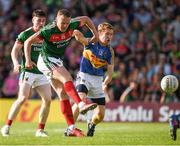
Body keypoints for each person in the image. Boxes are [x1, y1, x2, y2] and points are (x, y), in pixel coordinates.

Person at [24, 9, 98, 137]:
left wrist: (95, 34)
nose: (65, 26)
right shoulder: (48, 30)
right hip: (46, 59)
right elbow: (27, 42)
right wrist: (28, 60)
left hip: (57, 60)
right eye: (62, 23)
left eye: (67, 23)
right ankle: (81, 105)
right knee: (67, 77)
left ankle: (71, 128)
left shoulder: (72, 24)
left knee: (63, 94)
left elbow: (86, 18)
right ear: (56, 20)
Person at [1, 9, 52, 137]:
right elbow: (14, 51)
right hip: (28, 71)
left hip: (42, 72)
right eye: (38, 20)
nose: (41, 23)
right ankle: (6, 126)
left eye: (43, 21)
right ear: (33, 20)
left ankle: (40, 130)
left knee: (47, 100)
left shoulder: (47, 34)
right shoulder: (25, 34)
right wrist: (16, 63)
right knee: (23, 98)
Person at [72, 22, 114, 136]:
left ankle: (92, 124)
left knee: (100, 115)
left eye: (111, 34)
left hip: (98, 81)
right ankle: (70, 127)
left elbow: (110, 72)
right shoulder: (92, 42)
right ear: (99, 33)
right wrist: (75, 33)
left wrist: (105, 83)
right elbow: (80, 38)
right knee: (80, 100)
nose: (109, 37)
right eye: (107, 34)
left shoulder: (110, 51)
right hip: (84, 76)